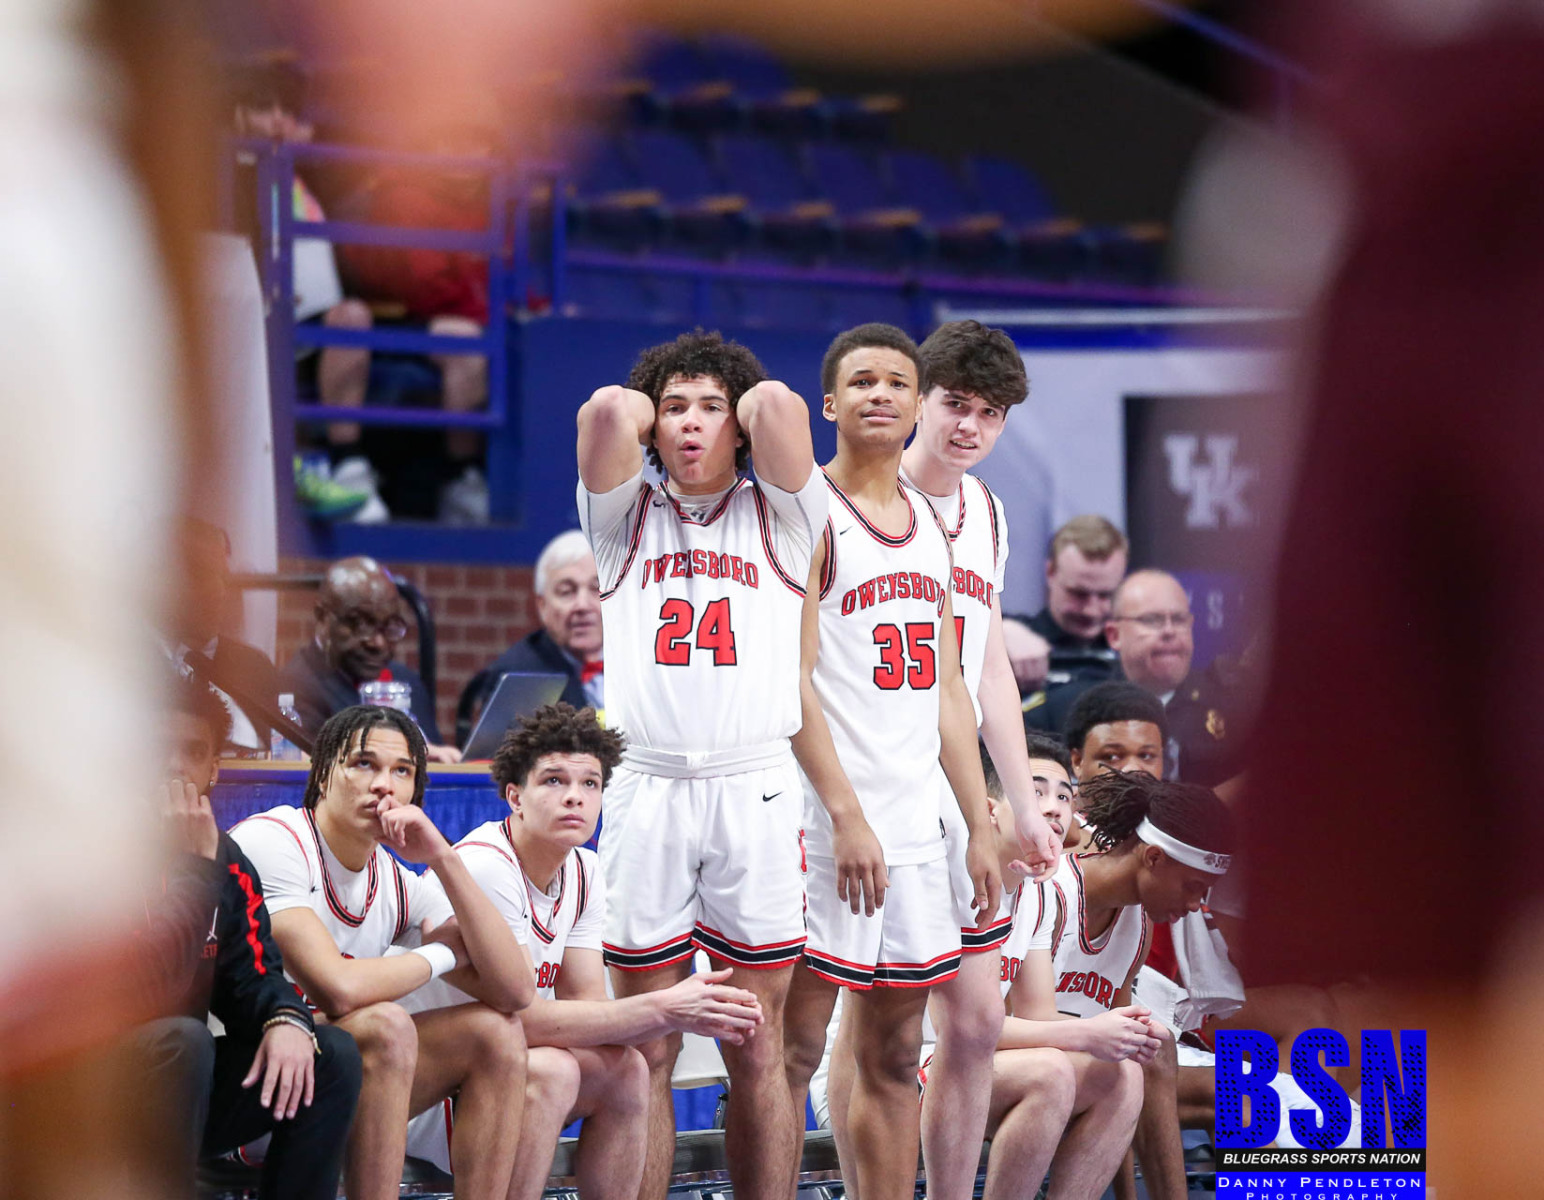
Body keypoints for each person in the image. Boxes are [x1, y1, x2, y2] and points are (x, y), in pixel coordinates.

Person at [576, 330, 826, 1200]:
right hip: (645, 783)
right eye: (674, 407)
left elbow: (780, 405)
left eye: (710, 407)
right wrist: (653, 410)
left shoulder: (788, 513)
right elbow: (606, 410)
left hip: (752, 784)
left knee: (755, 1038)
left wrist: (741, 407)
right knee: (643, 1039)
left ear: (740, 426)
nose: (690, 422)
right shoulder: (619, 517)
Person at [814, 317, 1056, 1200]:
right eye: (956, 404)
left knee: (978, 1021)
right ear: (922, 401)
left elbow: (982, 667)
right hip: (867, 777)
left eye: (990, 415)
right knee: (870, 1021)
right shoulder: (857, 500)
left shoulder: (985, 510)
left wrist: (1018, 800)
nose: (969, 427)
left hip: (952, 784)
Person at [782, 322, 1001, 1200]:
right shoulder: (807, 515)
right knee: (791, 1050)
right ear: (830, 403)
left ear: (916, 407)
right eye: (863, 381)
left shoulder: (933, 526)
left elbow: (949, 687)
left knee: (898, 1051)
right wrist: (844, 813)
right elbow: (791, 681)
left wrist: (978, 821)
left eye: (897, 383)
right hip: (821, 822)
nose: (881, 394)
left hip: (912, 825)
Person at [405, 703, 767, 1199]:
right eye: (554, 781)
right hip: (425, 1091)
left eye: (590, 783)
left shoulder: (583, 869)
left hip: (498, 1072)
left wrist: (683, 1013)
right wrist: (666, 1009)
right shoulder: (486, 866)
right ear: (515, 797)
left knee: (627, 1069)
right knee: (554, 1071)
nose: (575, 796)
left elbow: (588, 1009)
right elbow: (525, 1017)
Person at [230, 705, 530, 1200]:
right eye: (363, 763)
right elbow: (338, 989)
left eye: (402, 771)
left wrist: (443, 858)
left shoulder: (392, 878)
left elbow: (515, 990)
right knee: (386, 1026)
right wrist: (441, 955)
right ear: (323, 773)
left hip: (331, 1079)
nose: (383, 785)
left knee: (498, 1033)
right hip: (249, 1087)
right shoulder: (275, 841)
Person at [136, 676, 362, 1198]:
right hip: (84, 1090)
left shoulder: (227, 860)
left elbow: (254, 973)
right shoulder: (92, 850)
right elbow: (144, 985)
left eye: (194, 752)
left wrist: (285, 1018)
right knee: (186, 1041)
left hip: (184, 1084)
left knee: (330, 1055)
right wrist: (196, 871)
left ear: (214, 769)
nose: (175, 766)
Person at [942, 738, 1146, 1200]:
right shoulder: (957, 878)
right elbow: (960, 1029)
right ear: (990, 810)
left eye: (1064, 796)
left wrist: (1117, 1033)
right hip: (916, 1063)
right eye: (1036, 793)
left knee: (1122, 1074)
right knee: (1050, 1073)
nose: (1053, 808)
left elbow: (1037, 1017)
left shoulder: (1036, 893)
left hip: (977, 1063)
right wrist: (1087, 1033)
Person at [1051, 771, 1233, 1200]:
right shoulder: (1051, 892)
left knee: (1150, 1043)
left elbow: (1122, 1050)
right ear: (1152, 858)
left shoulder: (1138, 925)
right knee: (1146, 1049)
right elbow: (997, 1020)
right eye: (1193, 887)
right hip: (993, 1056)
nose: (1195, 906)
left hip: (1075, 1067)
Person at [280, 555, 461, 761]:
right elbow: (317, 773)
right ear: (323, 617)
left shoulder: (407, 682)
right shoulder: (296, 688)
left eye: (389, 626)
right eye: (360, 624)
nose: (378, 643)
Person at [159, 516, 281, 753]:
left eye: (224, 578)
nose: (219, 591)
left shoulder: (255, 668)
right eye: (201, 576)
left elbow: (281, 755)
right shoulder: (140, 666)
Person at [463, 531, 603, 730]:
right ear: (542, 606)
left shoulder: (641, 659)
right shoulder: (517, 676)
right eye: (566, 592)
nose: (582, 605)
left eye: (596, 589)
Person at [1018, 516, 1127, 726]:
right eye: (1079, 594)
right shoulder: (1009, 640)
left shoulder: (1133, 652)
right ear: (1050, 572)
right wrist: (1001, 634)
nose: (1091, 610)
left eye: (1105, 595)